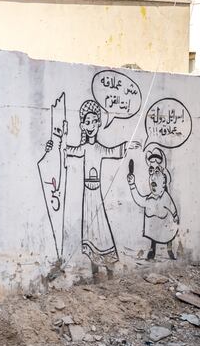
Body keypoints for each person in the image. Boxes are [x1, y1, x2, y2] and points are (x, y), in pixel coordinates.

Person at [45, 100, 140, 276]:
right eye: (86, 122)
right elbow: (69, 150)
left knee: (101, 226)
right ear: (82, 125)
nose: (90, 126)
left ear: (98, 124)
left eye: (93, 122)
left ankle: (108, 265)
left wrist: (126, 145)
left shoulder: (98, 148)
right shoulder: (84, 148)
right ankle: (95, 267)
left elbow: (112, 151)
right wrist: (55, 144)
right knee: (90, 227)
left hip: (96, 193)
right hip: (87, 194)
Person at [127, 146, 179, 260]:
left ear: (164, 181)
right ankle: (152, 250)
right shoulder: (149, 199)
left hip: (165, 221)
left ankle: (169, 250)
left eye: (157, 171)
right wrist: (132, 185)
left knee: (168, 234)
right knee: (153, 235)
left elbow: (172, 206)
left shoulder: (165, 197)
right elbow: (139, 199)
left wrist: (175, 216)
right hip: (154, 223)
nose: (153, 176)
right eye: (151, 171)